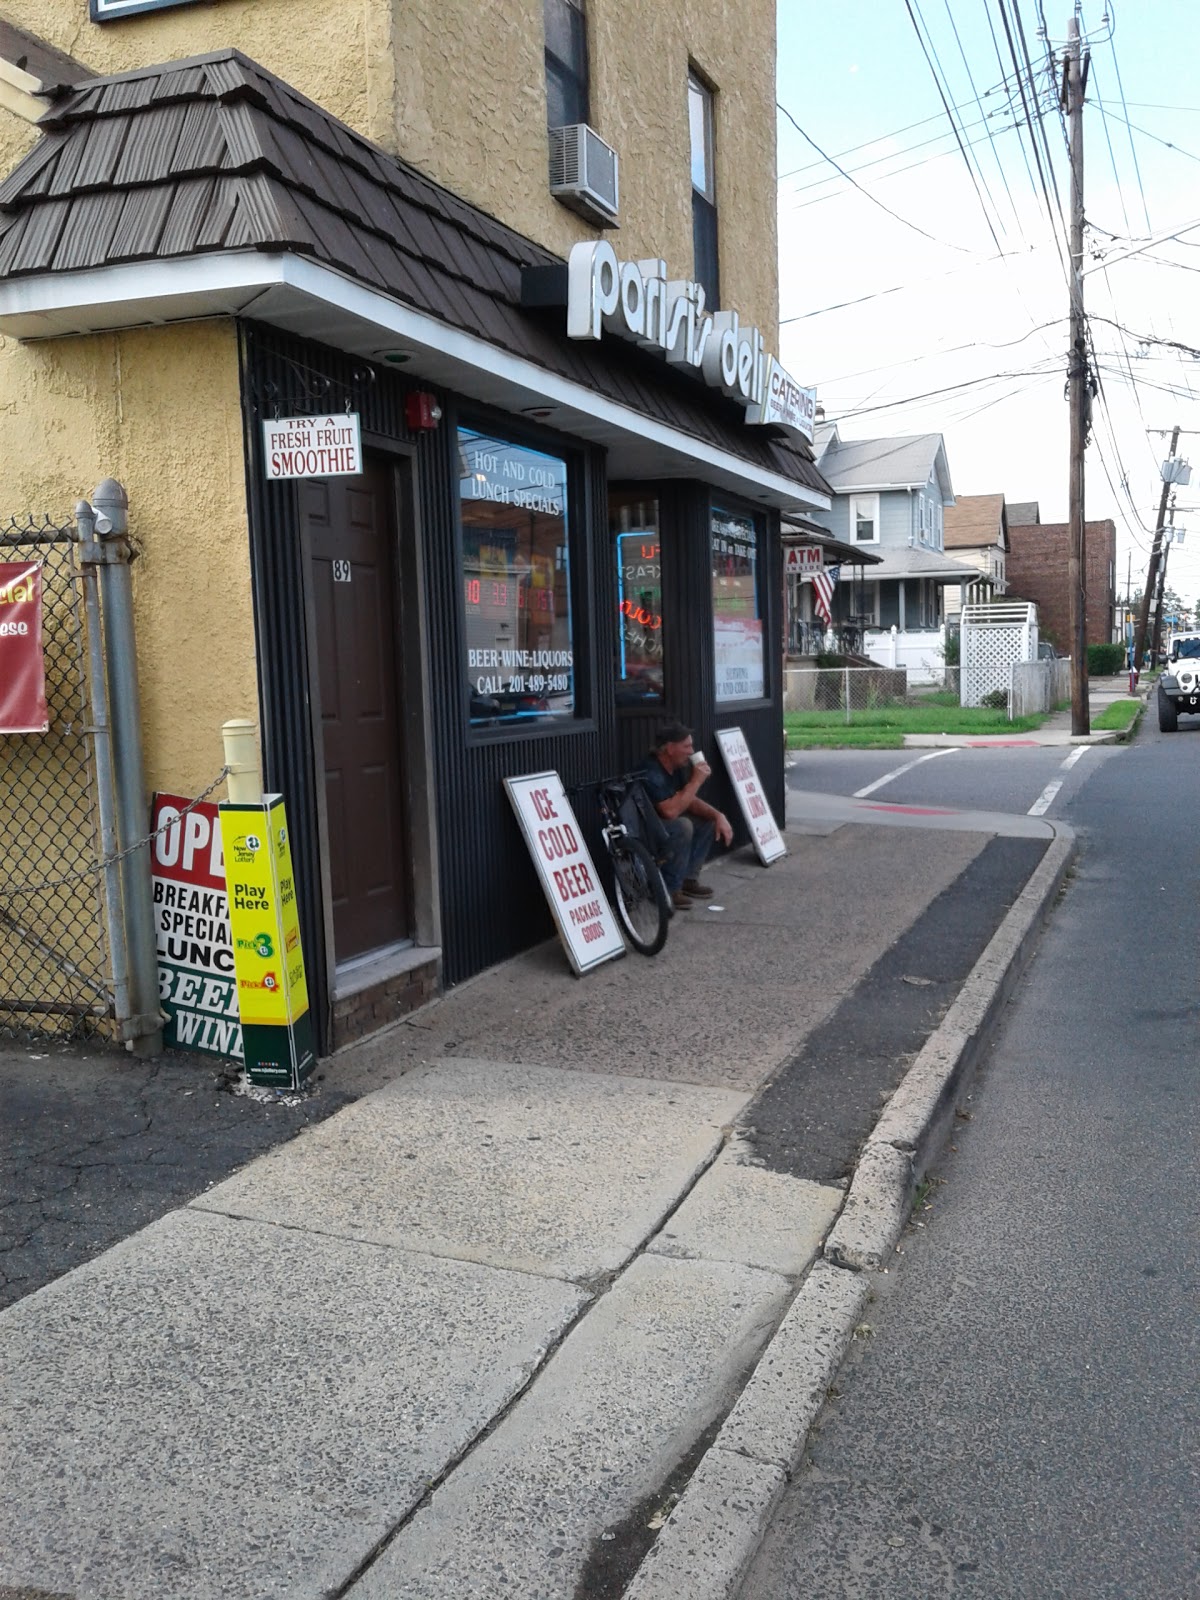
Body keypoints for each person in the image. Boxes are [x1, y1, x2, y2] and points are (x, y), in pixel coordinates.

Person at [640, 720, 733, 910]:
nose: (691, 752)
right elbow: (670, 810)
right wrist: (696, 781)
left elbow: (688, 799)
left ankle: (688, 880)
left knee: (706, 820)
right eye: (687, 746)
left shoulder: (676, 767)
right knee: (683, 825)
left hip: (663, 823)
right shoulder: (652, 770)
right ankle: (669, 889)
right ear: (670, 748)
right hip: (645, 828)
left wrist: (717, 815)